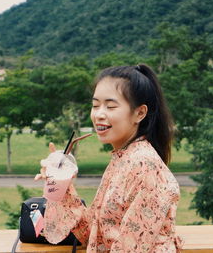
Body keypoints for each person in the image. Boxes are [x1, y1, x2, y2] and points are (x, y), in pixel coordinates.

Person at [35, 64, 183, 252]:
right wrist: (59, 183)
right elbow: (92, 234)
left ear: (140, 113)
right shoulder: (123, 159)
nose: (99, 114)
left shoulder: (144, 165)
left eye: (110, 106)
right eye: (95, 105)